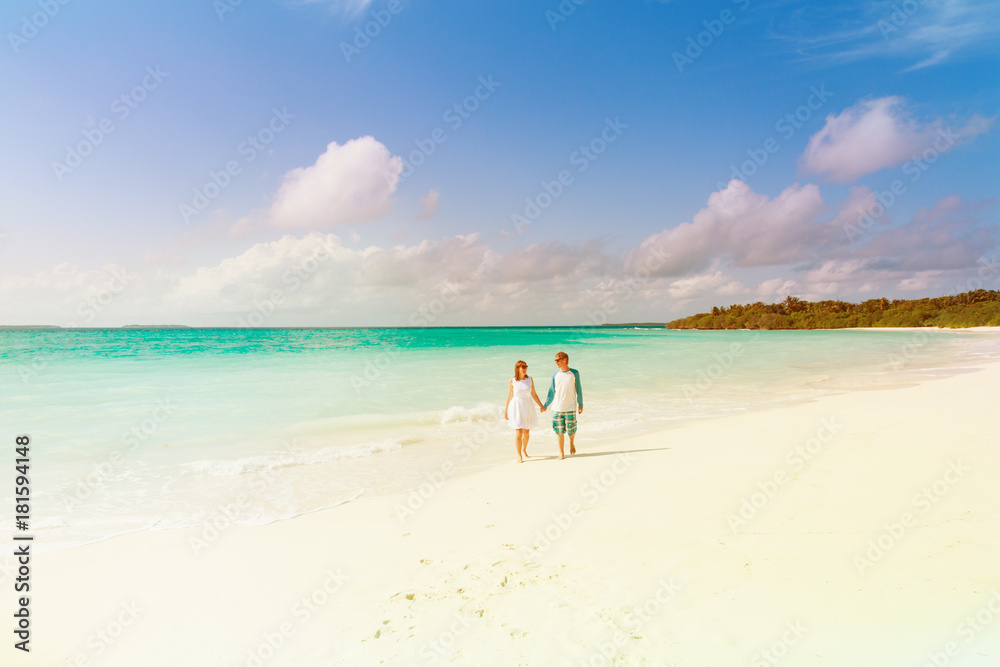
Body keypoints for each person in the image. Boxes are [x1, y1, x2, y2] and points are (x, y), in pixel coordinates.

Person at [543, 351, 583, 460]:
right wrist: (546, 404)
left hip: (570, 407)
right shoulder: (555, 374)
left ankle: (571, 442)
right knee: (559, 431)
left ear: (564, 360)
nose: (556, 362)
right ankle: (561, 452)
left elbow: (579, 389)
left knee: (571, 431)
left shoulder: (574, 373)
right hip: (557, 408)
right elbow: (551, 391)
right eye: (555, 360)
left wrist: (581, 404)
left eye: (557, 360)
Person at [504, 360, 545, 463]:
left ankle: (524, 450)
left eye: (526, 366)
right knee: (518, 431)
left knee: (526, 431)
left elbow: (534, 394)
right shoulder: (512, 381)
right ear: (517, 368)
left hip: (528, 405)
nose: (524, 368)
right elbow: (509, 396)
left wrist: (541, 405)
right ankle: (519, 455)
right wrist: (506, 411)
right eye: (522, 367)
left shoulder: (530, 379)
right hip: (516, 406)